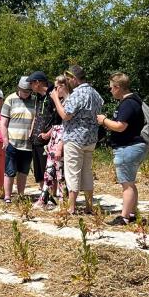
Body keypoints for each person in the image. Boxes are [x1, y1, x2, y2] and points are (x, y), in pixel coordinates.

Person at [49, 65, 103, 215]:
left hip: (75, 138)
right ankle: (89, 206)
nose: (68, 82)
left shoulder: (78, 94)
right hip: (91, 138)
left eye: (68, 79)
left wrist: (55, 99)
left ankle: (71, 208)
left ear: (74, 78)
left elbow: (66, 115)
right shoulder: (95, 93)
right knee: (87, 172)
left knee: (73, 172)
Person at [97, 73, 149, 225]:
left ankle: (124, 217)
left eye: (111, 88)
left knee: (126, 185)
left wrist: (104, 120)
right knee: (130, 183)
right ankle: (132, 214)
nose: (110, 90)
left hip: (128, 147)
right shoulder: (135, 101)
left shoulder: (128, 103)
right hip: (134, 147)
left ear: (118, 87)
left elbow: (120, 126)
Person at [0, 76, 36, 204]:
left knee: (23, 172)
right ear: (18, 88)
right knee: (10, 171)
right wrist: (5, 140)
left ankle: (21, 195)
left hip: (28, 144)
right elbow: (3, 123)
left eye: (29, 91)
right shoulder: (10, 99)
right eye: (24, 91)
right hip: (12, 143)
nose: (27, 93)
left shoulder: (35, 100)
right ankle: (7, 197)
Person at [35, 75, 68, 209]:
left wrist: (60, 145)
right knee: (49, 170)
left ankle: (63, 201)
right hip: (54, 137)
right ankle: (44, 198)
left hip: (62, 139)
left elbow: (66, 124)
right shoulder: (58, 101)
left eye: (55, 87)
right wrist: (48, 135)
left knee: (60, 171)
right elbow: (56, 123)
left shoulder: (68, 102)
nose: (53, 90)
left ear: (63, 86)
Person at [27, 71, 57, 192]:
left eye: (31, 83)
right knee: (39, 171)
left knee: (49, 169)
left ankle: (52, 194)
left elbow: (58, 119)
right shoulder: (39, 97)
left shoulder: (53, 95)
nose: (30, 86)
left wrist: (48, 134)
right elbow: (37, 116)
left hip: (48, 140)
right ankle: (43, 195)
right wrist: (31, 133)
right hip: (36, 139)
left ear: (38, 83)